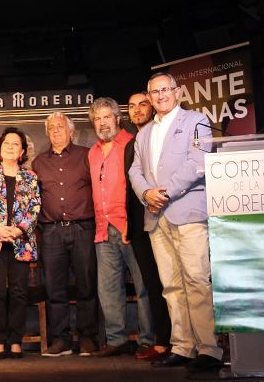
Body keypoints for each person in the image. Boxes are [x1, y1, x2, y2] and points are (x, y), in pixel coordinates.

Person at [128, 72, 223, 372]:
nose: (160, 96)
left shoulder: (196, 121)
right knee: (170, 285)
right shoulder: (143, 134)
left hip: (188, 212)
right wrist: (146, 192)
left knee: (196, 280)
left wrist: (164, 192)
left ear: (178, 92)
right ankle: (182, 346)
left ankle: (208, 349)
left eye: (165, 90)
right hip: (156, 217)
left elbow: (198, 163)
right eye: (154, 92)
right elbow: (134, 171)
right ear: (149, 97)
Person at [87, 97, 152, 357]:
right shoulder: (91, 152)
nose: (103, 123)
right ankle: (117, 340)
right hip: (103, 229)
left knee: (144, 285)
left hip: (131, 227)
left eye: (106, 117)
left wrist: (131, 222)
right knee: (108, 289)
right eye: (97, 119)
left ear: (117, 118)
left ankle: (148, 339)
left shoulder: (133, 143)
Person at [32, 111, 98, 357]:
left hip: (83, 228)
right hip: (51, 232)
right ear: (47, 133)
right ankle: (61, 339)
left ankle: (88, 337)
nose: (56, 131)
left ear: (71, 131)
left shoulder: (86, 156)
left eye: (60, 127)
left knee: (86, 285)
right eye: (51, 128)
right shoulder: (39, 162)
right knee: (54, 289)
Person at [0, 127, 41, 359]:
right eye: (7, 143)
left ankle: (15, 340)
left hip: (20, 241)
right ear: (0, 148)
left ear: (23, 150)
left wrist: (17, 230)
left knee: (18, 292)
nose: (11, 147)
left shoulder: (31, 177)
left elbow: (34, 208)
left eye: (16, 144)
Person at [126, 92, 171, 361]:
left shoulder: (162, 138)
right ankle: (163, 341)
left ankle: (184, 342)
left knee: (176, 284)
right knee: (153, 286)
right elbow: (128, 188)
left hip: (168, 216)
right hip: (141, 227)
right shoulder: (129, 145)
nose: (137, 110)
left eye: (142, 104)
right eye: (131, 107)